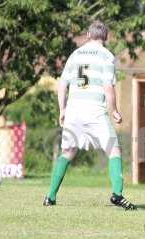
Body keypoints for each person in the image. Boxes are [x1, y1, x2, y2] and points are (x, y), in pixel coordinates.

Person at [43, 21, 136, 210]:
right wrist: (115, 110)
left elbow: (62, 85)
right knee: (113, 150)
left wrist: (62, 110)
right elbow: (108, 87)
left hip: (74, 109)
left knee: (67, 152)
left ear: (87, 35)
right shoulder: (107, 56)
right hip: (94, 110)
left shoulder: (74, 55)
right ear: (106, 37)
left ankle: (50, 197)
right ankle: (117, 195)